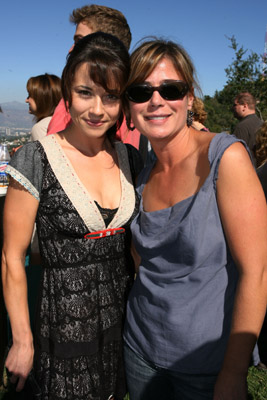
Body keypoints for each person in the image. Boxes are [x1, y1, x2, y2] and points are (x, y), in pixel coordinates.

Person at [122, 38, 267, 400]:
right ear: (129, 104)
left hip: (206, 365)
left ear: (189, 98)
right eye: (141, 91)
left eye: (170, 89)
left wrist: (233, 374)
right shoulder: (142, 173)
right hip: (140, 348)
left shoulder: (225, 158)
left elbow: (257, 273)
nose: (156, 100)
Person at [2, 32, 143, 400]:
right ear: (67, 91)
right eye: (85, 93)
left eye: (111, 96)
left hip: (122, 324)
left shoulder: (130, 159)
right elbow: (12, 257)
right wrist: (21, 340)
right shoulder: (36, 159)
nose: (98, 109)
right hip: (64, 331)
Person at [47, 4, 144, 155]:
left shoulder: (74, 103)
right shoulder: (137, 103)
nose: (71, 49)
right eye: (85, 93)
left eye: (80, 41)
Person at [26, 73, 62, 141]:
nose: (26, 100)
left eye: (29, 96)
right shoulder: (67, 123)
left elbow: (46, 151)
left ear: (41, 99)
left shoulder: (40, 128)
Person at [232, 92, 263, 162]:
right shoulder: (262, 124)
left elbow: (236, 156)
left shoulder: (242, 127)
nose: (233, 108)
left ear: (244, 106)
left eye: (235, 105)